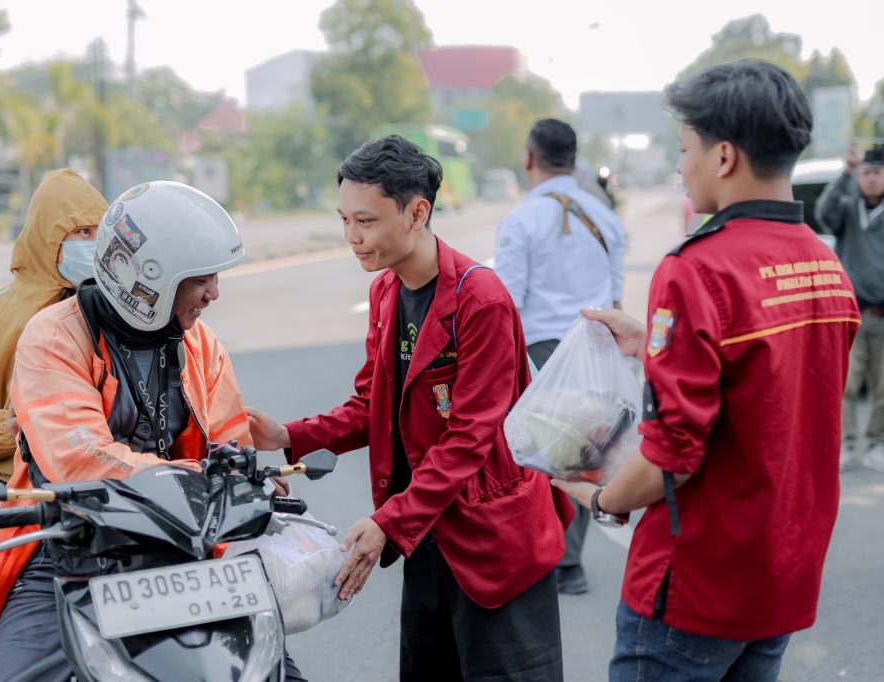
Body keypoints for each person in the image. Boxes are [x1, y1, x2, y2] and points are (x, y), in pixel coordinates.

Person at [552, 60, 860, 681]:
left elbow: (673, 457)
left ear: (722, 156)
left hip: (693, 587)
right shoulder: (825, 267)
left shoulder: (697, 268)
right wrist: (652, 346)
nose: (678, 165)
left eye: (683, 147)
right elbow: (771, 388)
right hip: (780, 581)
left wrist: (601, 499)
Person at [0, 181, 302, 682]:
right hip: (73, 547)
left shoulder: (201, 344)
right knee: (13, 675)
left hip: (186, 545)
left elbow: (229, 441)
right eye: (201, 278)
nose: (215, 292)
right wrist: (200, 479)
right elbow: (80, 460)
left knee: (270, 670)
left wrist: (247, 478)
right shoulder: (54, 335)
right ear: (150, 278)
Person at [248, 135, 573, 681]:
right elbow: (371, 404)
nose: (352, 237)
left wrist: (386, 522)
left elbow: (470, 437)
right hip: (426, 532)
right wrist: (287, 435)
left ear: (418, 212)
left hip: (493, 541)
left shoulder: (481, 299)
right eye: (345, 220)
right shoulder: (386, 293)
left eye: (367, 222)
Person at [0, 168, 108, 681]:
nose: (92, 245)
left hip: (116, 490)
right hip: (19, 496)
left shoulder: (130, 310)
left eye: (100, 231)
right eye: (78, 233)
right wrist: (13, 429)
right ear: (46, 238)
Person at [494, 118, 626, 595]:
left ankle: (544, 558)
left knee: (536, 457)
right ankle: (570, 564)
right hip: (597, 348)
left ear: (529, 159)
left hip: (540, 352)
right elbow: (615, 297)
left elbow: (505, 300)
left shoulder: (521, 220)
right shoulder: (606, 217)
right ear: (574, 159)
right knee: (585, 453)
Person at [815, 143, 884, 471]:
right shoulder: (847, 209)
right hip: (850, 314)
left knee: (883, 386)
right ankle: (845, 444)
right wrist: (845, 173)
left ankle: (875, 444)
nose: (871, 179)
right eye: (866, 173)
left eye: (877, 173)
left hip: (882, 314)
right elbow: (823, 213)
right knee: (846, 383)